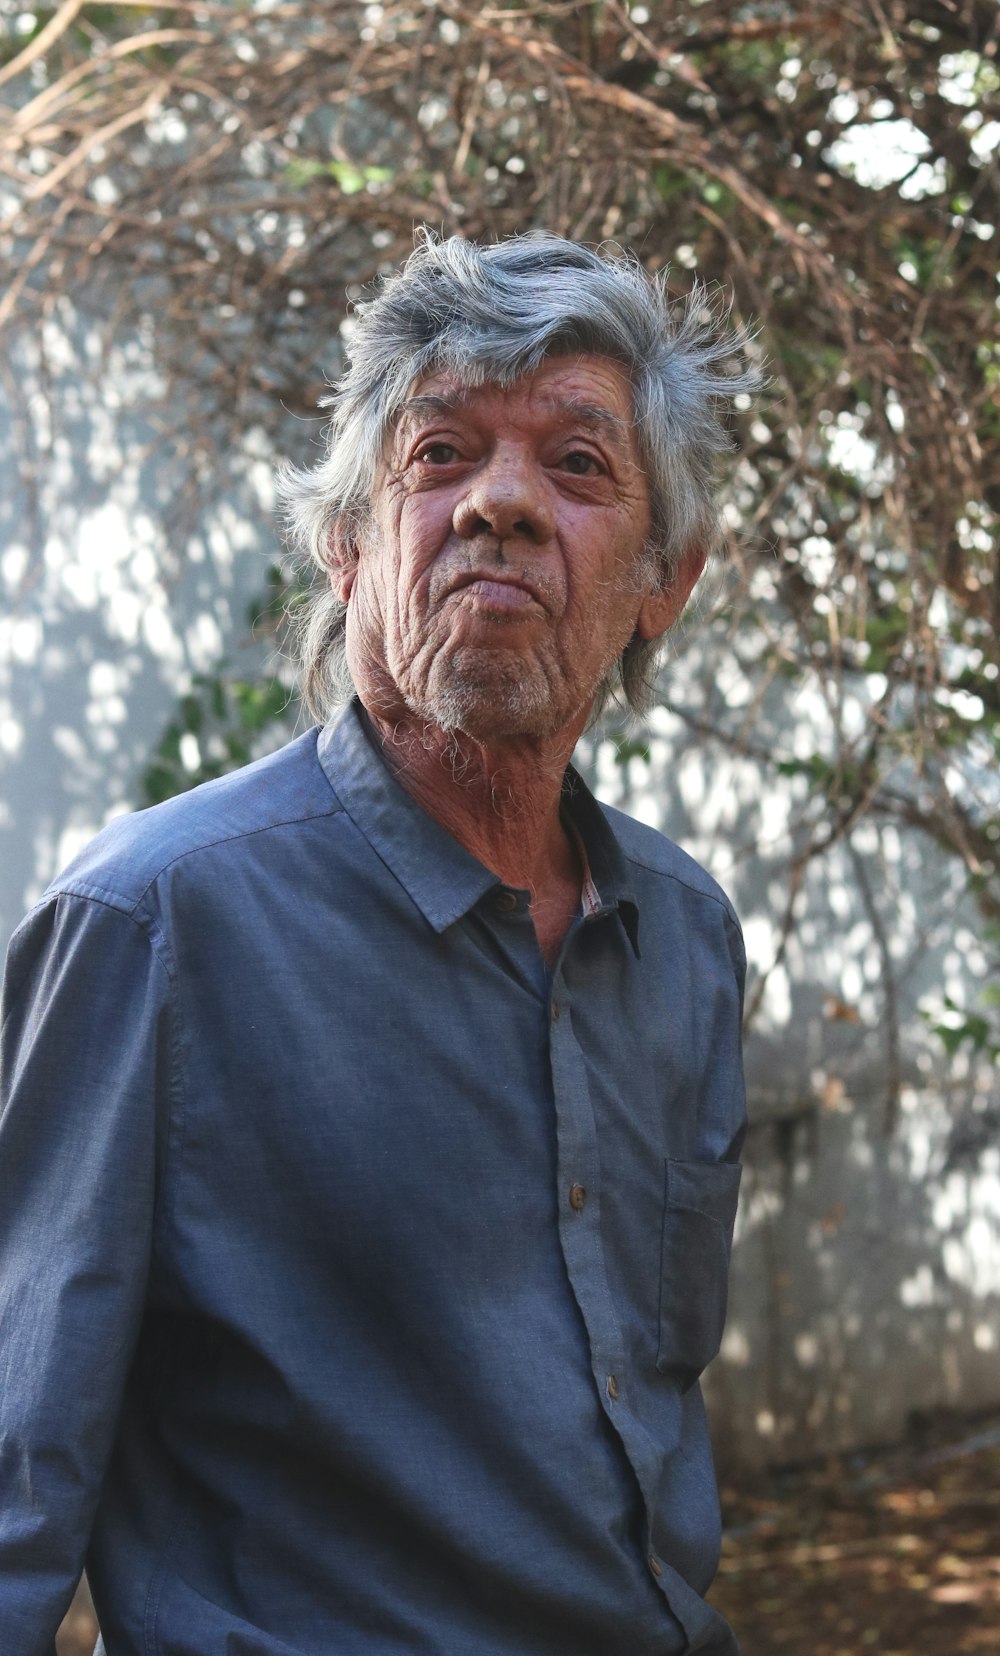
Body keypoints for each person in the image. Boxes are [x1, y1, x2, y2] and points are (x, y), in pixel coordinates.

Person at [0, 232, 753, 1656]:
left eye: (579, 466)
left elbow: (651, 1413)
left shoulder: (684, 938)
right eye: (443, 454)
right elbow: (13, 1477)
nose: (503, 506)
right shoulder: (155, 921)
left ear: (667, 581)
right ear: (348, 548)